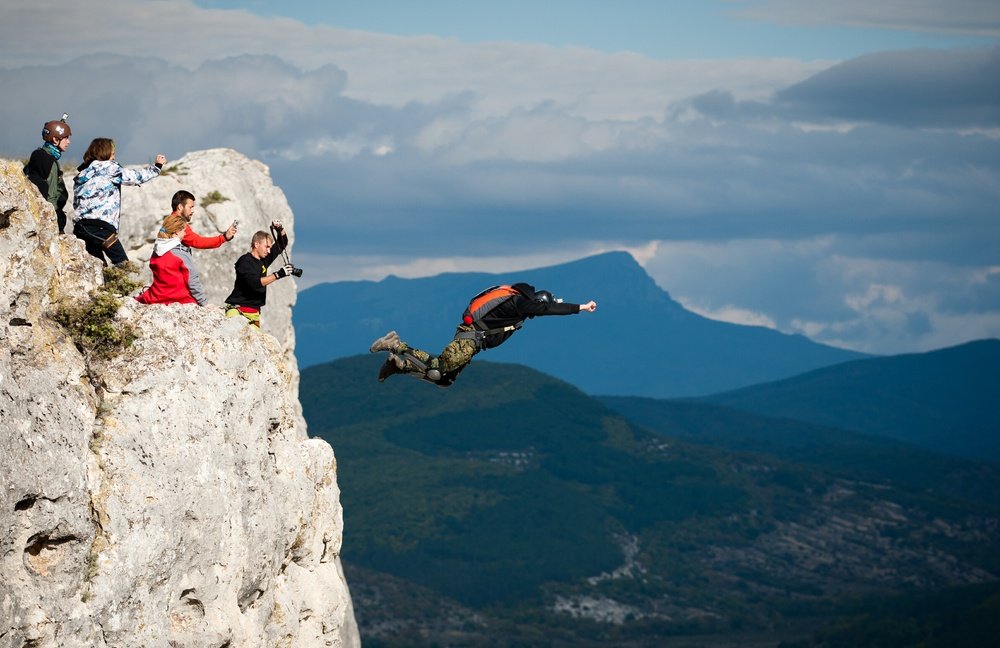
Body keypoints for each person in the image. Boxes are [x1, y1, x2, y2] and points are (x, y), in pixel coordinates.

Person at [370, 283, 597, 387]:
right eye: (535, 311)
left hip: (472, 342)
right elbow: (549, 309)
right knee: (438, 369)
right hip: (470, 340)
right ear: (536, 303)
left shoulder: (514, 300)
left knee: (445, 380)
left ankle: (398, 365)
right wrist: (581, 307)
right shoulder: (520, 303)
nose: (533, 315)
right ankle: (396, 346)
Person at [72, 137, 166, 267]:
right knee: (123, 265)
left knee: (97, 269)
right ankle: (120, 286)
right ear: (105, 152)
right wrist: (156, 167)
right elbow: (136, 177)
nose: (114, 157)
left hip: (81, 228)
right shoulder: (109, 168)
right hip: (100, 227)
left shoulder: (82, 174)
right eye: (113, 153)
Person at [223, 222, 294, 327]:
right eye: (267, 247)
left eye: (270, 247)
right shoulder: (245, 261)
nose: (269, 251)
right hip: (237, 310)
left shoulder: (264, 259)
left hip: (254, 313)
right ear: (256, 244)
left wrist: (280, 229)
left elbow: (282, 242)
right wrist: (278, 275)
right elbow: (254, 283)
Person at [135, 214, 207, 306]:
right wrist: (204, 303)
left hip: (156, 297)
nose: (185, 234)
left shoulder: (156, 250)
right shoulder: (180, 253)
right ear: (177, 232)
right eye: (184, 231)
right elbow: (192, 280)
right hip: (180, 299)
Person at [23, 115, 72, 233]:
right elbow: (52, 195)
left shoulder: (37, 155)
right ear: (56, 140)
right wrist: (56, 223)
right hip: (49, 220)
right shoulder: (51, 162)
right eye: (66, 138)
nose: (68, 142)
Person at [169, 189, 238, 251]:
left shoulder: (171, 220)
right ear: (180, 207)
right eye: (190, 207)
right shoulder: (177, 223)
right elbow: (197, 242)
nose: (193, 211)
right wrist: (224, 237)